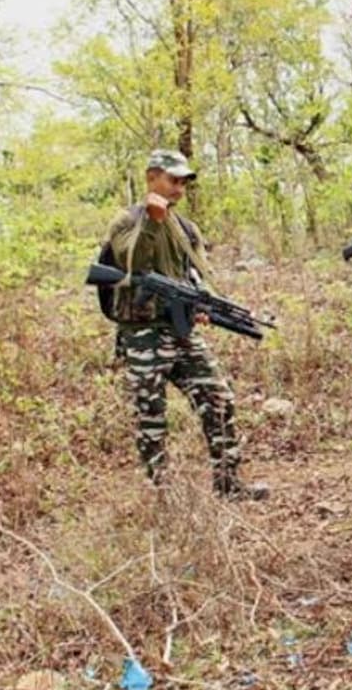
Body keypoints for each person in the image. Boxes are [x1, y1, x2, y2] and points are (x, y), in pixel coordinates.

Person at [102, 149, 267, 500]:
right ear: (152, 177)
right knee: (151, 415)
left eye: (183, 182)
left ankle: (229, 484)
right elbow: (133, 266)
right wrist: (151, 221)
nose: (178, 188)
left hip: (181, 332)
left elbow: (194, 275)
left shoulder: (185, 228)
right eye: (172, 180)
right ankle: (162, 495)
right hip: (143, 336)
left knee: (219, 399)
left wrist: (200, 304)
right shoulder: (126, 221)